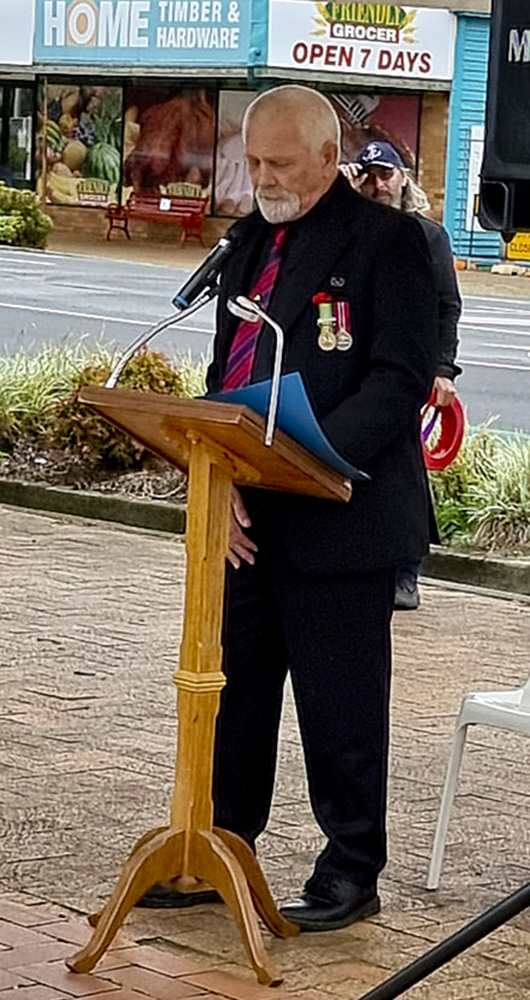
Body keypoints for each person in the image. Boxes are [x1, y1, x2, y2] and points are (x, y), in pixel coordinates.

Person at [139, 86, 437, 930]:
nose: (261, 177)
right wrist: (224, 475)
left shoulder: (389, 242)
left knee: (341, 705)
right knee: (234, 693)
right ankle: (223, 845)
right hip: (249, 517)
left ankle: (351, 868)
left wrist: (304, 458)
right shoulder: (247, 243)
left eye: (278, 163)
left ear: (328, 157)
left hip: (340, 511)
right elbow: (227, 370)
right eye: (253, 162)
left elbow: (400, 378)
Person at [341, 140, 462, 611]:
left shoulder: (428, 236)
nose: (377, 185)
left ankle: (407, 570)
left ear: (403, 178)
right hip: (356, 369)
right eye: (368, 175)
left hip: (408, 372)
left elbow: (447, 305)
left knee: (405, 473)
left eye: (386, 175)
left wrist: (443, 369)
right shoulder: (346, 230)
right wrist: (338, 196)